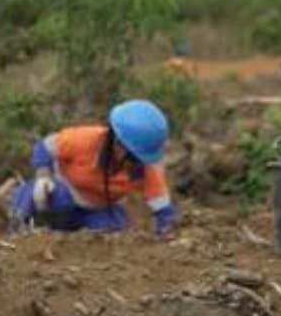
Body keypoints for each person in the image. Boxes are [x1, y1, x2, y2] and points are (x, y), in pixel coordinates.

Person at [10, 99, 177, 237]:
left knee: (115, 232)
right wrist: (43, 176)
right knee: (47, 197)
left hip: (98, 209)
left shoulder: (143, 169)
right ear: (118, 144)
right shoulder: (84, 140)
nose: (136, 164)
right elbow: (44, 147)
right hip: (63, 194)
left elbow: (162, 207)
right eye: (133, 158)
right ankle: (18, 232)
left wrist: (165, 232)